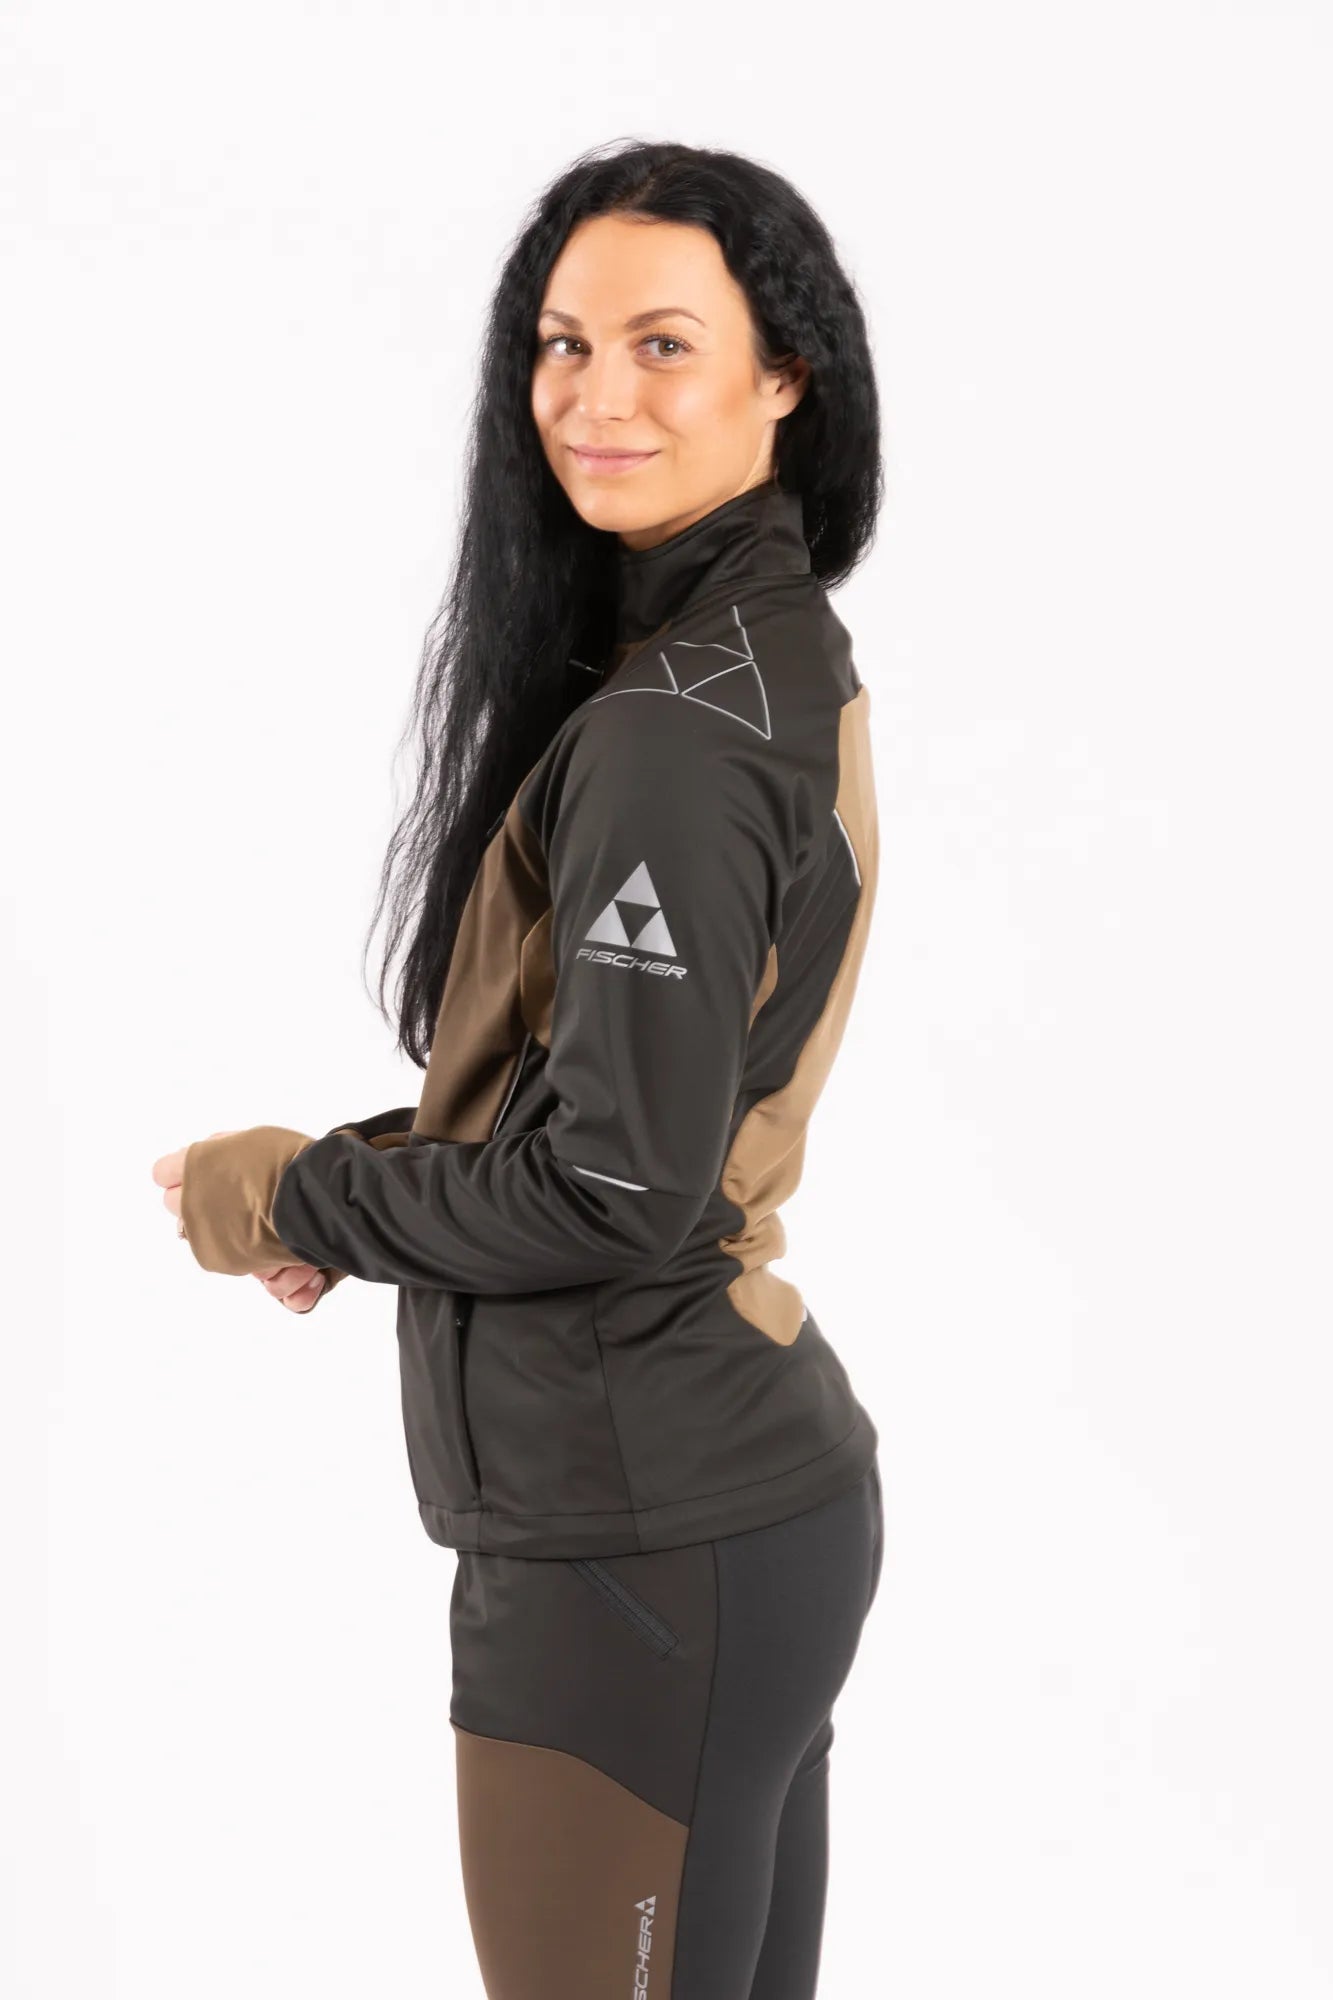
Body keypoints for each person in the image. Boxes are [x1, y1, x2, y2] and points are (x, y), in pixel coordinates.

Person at [153, 138, 887, 1999]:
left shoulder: (670, 735)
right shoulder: (760, 654)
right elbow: (621, 1105)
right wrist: (370, 1190)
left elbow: (611, 1189)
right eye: (563, 345)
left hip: (634, 1552)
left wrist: (291, 1190)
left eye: (662, 345)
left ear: (783, 378)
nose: (593, 396)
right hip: (734, 1513)